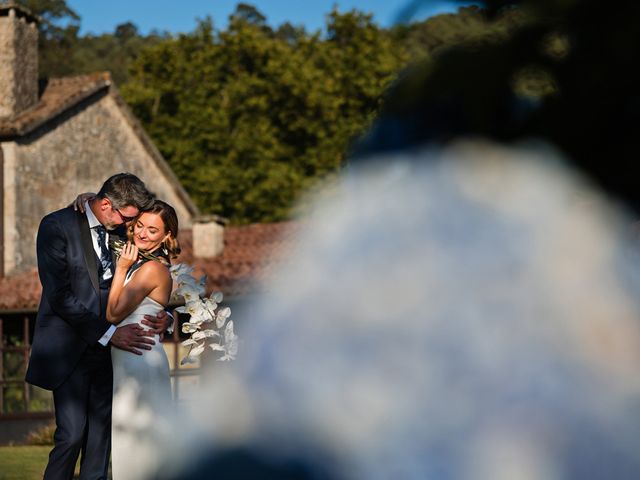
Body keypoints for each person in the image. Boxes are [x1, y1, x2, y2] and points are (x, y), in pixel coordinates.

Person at [26, 173, 171, 480]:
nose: (130, 226)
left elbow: (150, 280)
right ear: (106, 205)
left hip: (113, 354)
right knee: (72, 434)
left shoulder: (121, 228)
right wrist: (109, 333)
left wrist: (164, 315)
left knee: (100, 441)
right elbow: (60, 296)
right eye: (128, 218)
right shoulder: (56, 227)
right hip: (71, 347)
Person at [105, 199, 180, 480]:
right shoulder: (144, 264)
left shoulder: (149, 269)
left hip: (139, 359)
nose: (142, 233)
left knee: (140, 446)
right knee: (132, 442)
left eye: (152, 229)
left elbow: (113, 313)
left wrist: (122, 268)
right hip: (131, 357)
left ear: (166, 236)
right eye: (139, 226)